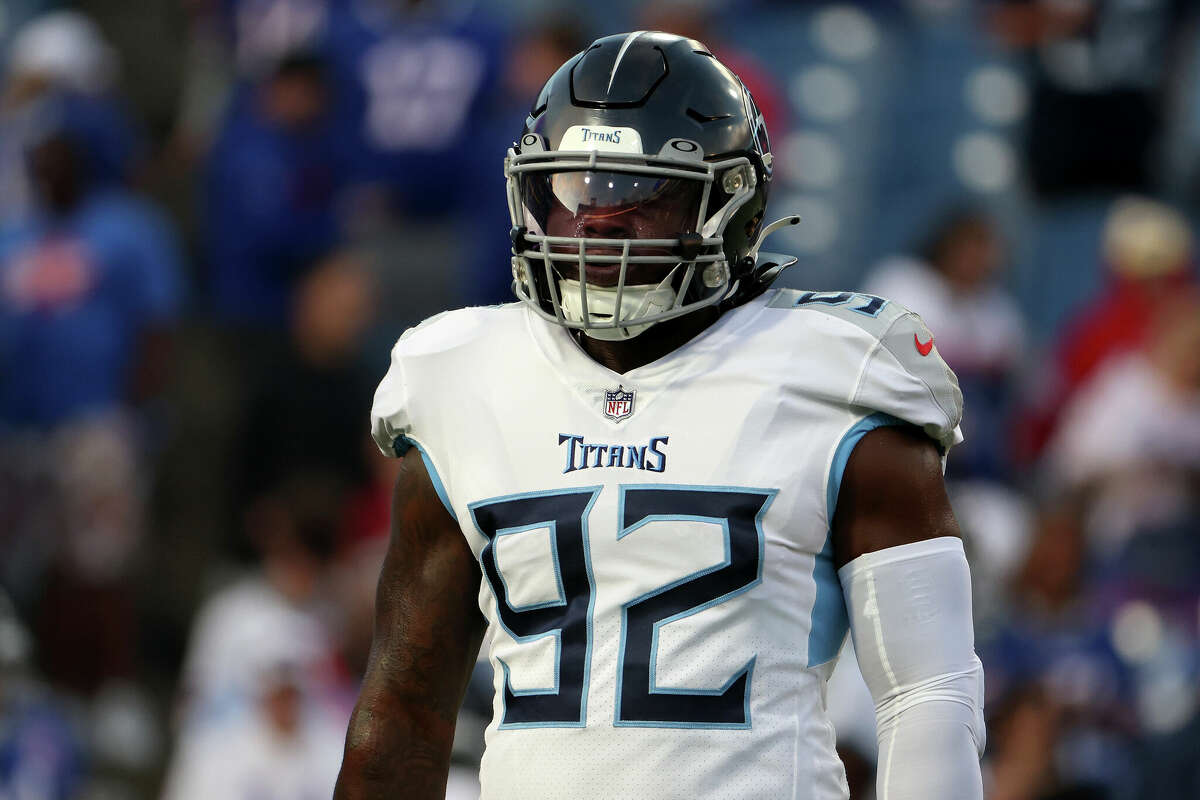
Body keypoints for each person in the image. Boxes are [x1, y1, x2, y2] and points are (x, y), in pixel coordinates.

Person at [335, 32, 985, 800]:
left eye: (638, 194)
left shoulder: (837, 375)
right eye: (572, 192)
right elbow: (405, 712)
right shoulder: (465, 376)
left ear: (732, 205)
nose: (596, 224)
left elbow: (927, 695)